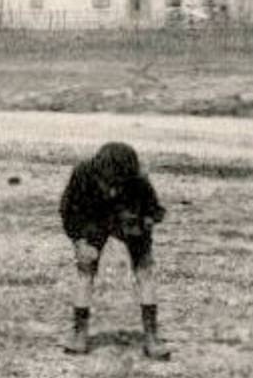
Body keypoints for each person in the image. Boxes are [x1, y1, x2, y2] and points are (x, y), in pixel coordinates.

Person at [59, 141, 170, 360]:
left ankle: (151, 336)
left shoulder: (139, 180)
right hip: (94, 220)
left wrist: (145, 223)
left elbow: (155, 211)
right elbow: (67, 210)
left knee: (145, 272)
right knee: (85, 271)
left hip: (128, 220)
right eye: (108, 183)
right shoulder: (82, 174)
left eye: (119, 184)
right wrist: (80, 242)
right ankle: (79, 333)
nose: (112, 189)